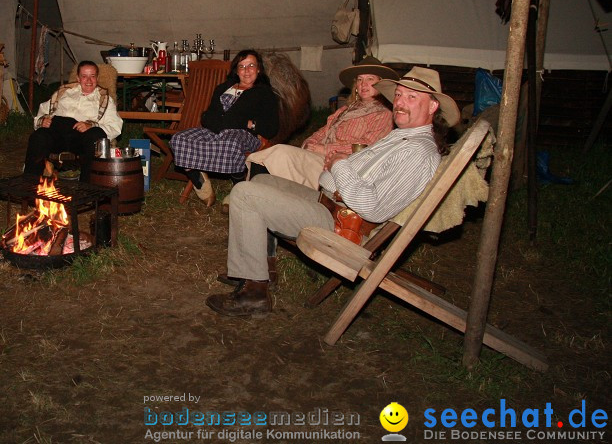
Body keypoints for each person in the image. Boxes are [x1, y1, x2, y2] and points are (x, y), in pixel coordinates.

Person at [206, 66, 460, 316]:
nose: (400, 103)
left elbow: (371, 207)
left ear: (432, 106)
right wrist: (337, 167)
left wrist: (338, 165)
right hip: (331, 202)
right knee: (262, 183)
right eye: (399, 95)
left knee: (245, 194)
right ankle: (254, 268)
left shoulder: (418, 152)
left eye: (412, 97)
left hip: (343, 226)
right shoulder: (403, 137)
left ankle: (254, 295)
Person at [246, 56, 397, 190]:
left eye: (370, 79)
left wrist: (325, 149)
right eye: (360, 79)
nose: (364, 84)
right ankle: (253, 194)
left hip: (342, 166)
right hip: (320, 157)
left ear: (381, 84)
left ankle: (251, 194)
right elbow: (324, 130)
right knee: (267, 157)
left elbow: (368, 148)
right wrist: (310, 143)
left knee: (278, 154)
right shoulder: (346, 109)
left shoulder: (384, 113)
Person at [169, 50, 280, 206]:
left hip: (244, 135)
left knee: (230, 144)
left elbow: (271, 127)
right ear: (236, 70)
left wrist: (248, 124)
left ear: (259, 69)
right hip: (215, 131)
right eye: (242, 66)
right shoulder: (223, 87)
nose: (246, 70)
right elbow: (207, 116)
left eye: (251, 65)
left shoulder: (265, 93)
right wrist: (220, 123)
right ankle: (199, 181)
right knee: (178, 139)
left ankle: (238, 188)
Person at [25, 60, 123, 181]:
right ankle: (29, 184)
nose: (88, 80)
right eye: (84, 76)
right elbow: (42, 112)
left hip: (81, 138)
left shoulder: (104, 99)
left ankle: (87, 187)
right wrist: (42, 120)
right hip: (57, 134)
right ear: (78, 78)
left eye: (92, 76)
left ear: (97, 78)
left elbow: (115, 127)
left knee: (96, 134)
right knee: (38, 136)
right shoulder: (64, 92)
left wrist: (91, 126)